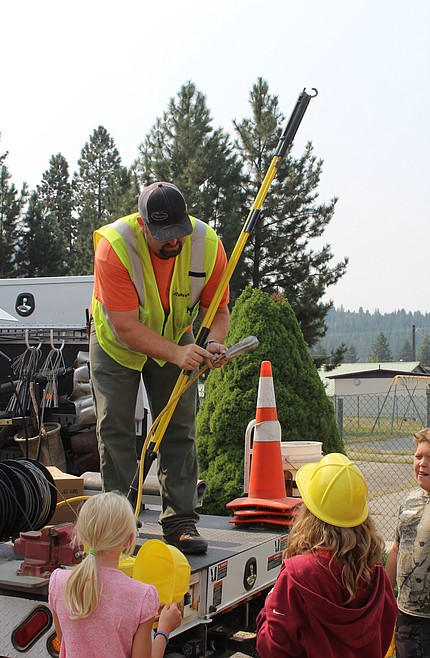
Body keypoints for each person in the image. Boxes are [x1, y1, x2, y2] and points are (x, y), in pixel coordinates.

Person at [89, 181, 230, 554]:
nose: (174, 241)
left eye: (179, 231)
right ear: (143, 225)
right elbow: (125, 327)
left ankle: (180, 521)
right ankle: (119, 523)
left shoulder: (208, 245)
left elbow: (218, 311)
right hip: (117, 343)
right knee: (115, 426)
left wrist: (211, 343)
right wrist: (177, 354)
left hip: (176, 336)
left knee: (178, 426)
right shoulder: (114, 248)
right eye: (164, 235)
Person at [256, 453, 397, 658]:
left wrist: (269, 607)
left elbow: (273, 648)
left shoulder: (298, 575)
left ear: (310, 516)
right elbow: (385, 633)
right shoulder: (374, 572)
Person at [48, 491, 182, 658]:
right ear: (129, 540)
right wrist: (164, 630)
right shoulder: (142, 596)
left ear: (80, 535)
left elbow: (68, 645)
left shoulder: (58, 581)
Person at [385, 428, 430, 658]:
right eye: (418, 456)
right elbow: (396, 548)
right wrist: (385, 597)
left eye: (429, 457)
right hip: (407, 617)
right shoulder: (409, 500)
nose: (422, 463)